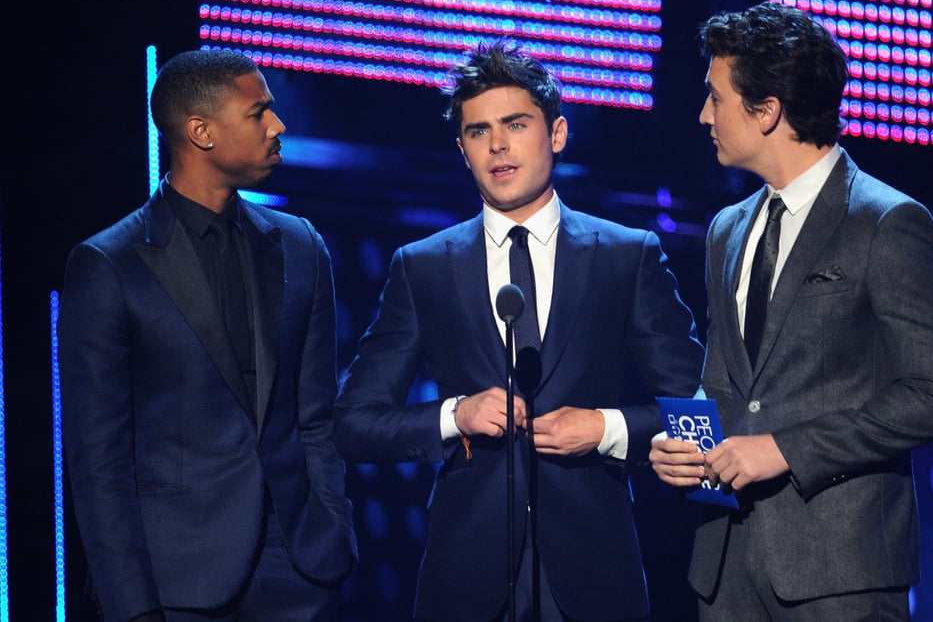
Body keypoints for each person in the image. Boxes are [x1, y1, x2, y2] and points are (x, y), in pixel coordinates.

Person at [335, 40, 705, 621]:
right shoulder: (423, 265)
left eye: (515, 124)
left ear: (556, 133)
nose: (498, 145)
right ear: (462, 150)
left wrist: (604, 427)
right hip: (466, 574)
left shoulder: (626, 256)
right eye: (479, 132)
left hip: (594, 570)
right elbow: (352, 423)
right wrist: (453, 415)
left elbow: (698, 413)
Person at [648, 2, 933, 620]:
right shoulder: (726, 230)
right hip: (726, 568)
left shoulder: (887, 222)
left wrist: (785, 448)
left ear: (767, 111)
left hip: (840, 571)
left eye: (715, 98)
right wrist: (683, 447)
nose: (703, 114)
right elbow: (724, 380)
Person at [58, 49, 357, 621]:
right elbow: (99, 462)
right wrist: (132, 608)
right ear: (200, 132)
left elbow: (315, 415)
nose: (278, 127)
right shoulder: (109, 264)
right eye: (258, 113)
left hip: (300, 572)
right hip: (177, 586)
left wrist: (332, 532)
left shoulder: (301, 246)